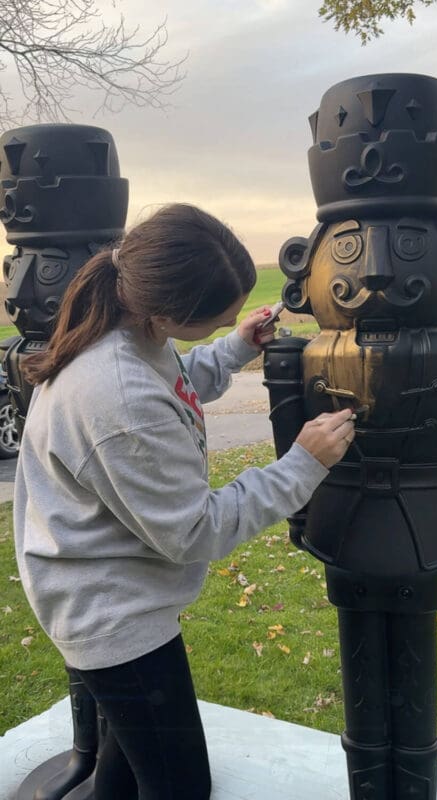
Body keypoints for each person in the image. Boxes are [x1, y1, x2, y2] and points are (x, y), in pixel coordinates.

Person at [14, 203, 355, 800]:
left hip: (108, 595)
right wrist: (303, 465)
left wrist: (234, 347)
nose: (228, 320)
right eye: (218, 317)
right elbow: (196, 530)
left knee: (127, 772)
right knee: (179, 786)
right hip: (112, 617)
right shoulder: (114, 397)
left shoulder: (127, 327)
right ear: (167, 313)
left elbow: (170, 381)